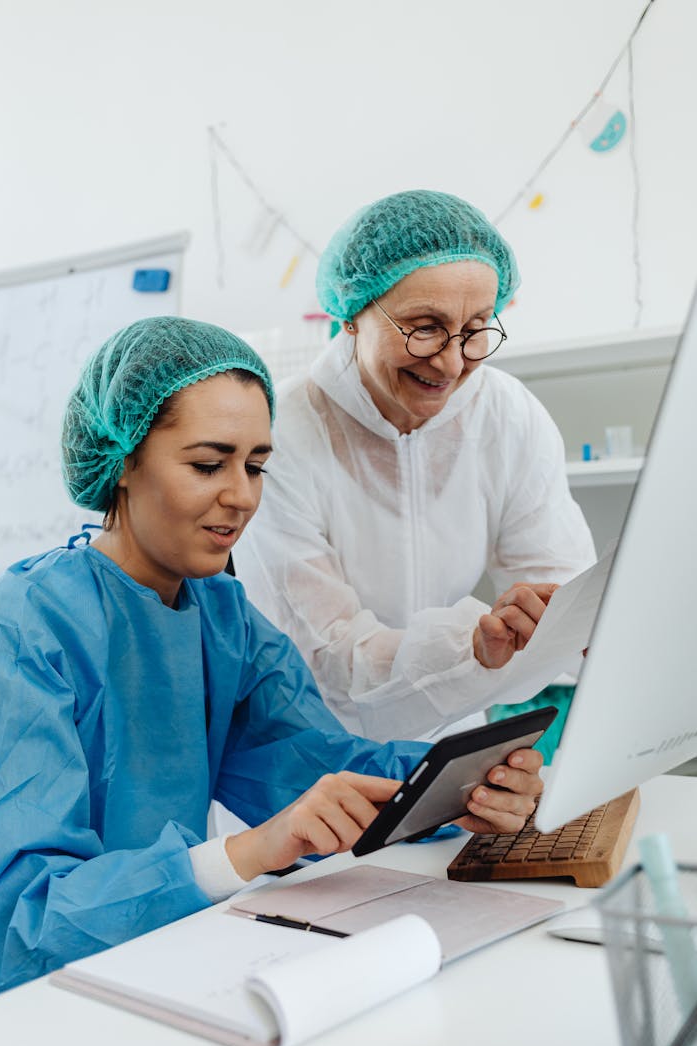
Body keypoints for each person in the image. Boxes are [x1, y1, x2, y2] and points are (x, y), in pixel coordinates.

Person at [0, 316, 544, 1012]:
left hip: (150, 966)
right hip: (14, 1016)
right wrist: (249, 852)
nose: (242, 496)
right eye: (208, 464)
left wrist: (467, 783)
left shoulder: (222, 618)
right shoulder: (20, 624)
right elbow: (11, 925)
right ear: (122, 460)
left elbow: (321, 769)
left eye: (256, 465)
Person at [233, 190, 596, 743]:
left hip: (451, 735)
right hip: (312, 751)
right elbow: (327, 654)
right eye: (423, 326)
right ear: (353, 315)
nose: (452, 363)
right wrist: (473, 645)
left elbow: (562, 589)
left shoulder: (506, 414)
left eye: (476, 329)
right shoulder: (281, 435)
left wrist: (556, 623)